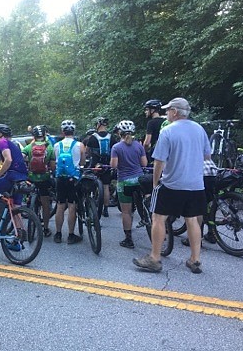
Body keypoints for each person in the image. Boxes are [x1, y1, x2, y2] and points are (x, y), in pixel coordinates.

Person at [133, 97, 211, 274]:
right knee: (192, 220)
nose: (166, 113)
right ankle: (195, 259)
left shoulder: (168, 131)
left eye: (168, 110)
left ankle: (154, 258)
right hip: (196, 184)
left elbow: (159, 161)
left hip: (172, 183)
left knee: (158, 217)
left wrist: (155, 184)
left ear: (175, 112)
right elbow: (207, 156)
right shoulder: (200, 129)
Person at [110, 120, 148, 249]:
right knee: (143, 204)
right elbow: (144, 164)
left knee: (126, 212)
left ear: (119, 133)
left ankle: (128, 239)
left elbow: (114, 165)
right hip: (139, 180)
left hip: (124, 181)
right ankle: (147, 220)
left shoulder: (116, 147)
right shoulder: (139, 146)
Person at [53, 120, 86, 244]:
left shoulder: (57, 145)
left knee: (60, 205)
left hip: (60, 178)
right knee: (72, 205)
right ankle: (71, 235)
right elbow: (82, 163)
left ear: (63, 132)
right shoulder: (80, 145)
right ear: (74, 131)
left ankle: (58, 234)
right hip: (74, 179)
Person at [22, 125, 56, 237]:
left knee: (29, 194)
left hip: (31, 177)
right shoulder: (49, 147)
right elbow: (53, 166)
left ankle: (29, 203)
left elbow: (21, 158)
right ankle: (45, 228)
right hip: (44, 178)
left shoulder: (29, 147)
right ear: (45, 135)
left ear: (34, 136)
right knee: (45, 204)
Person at [85, 117, 116, 217]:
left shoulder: (92, 137)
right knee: (106, 186)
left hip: (95, 165)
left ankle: (92, 201)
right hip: (107, 165)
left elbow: (87, 151)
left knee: (91, 182)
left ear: (98, 125)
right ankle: (106, 209)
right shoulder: (112, 137)